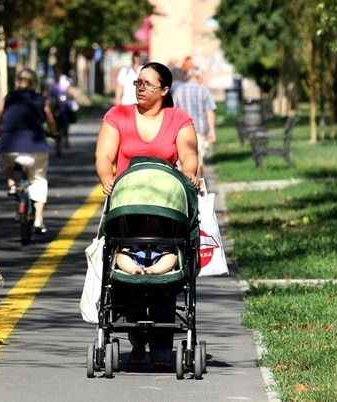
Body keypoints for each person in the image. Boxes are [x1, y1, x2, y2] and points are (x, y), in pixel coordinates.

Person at [94, 61, 200, 371]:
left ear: (165, 90)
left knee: (165, 280)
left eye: (148, 84)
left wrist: (190, 175)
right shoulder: (119, 115)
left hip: (166, 215)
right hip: (129, 213)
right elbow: (104, 155)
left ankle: (163, 349)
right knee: (128, 278)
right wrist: (106, 179)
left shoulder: (178, 119)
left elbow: (189, 156)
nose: (140, 88)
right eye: (138, 82)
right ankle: (137, 342)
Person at [0, 67, 58, 234]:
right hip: (36, 148)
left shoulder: (9, 98)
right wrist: (54, 132)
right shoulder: (40, 100)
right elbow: (49, 118)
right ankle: (38, 219)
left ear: (18, 81)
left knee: (5, 160)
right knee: (38, 179)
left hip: (9, 146)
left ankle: (11, 183)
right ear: (34, 82)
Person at [172, 68, 217, 177]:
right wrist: (212, 130)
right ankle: (199, 188)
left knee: (184, 161)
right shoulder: (203, 90)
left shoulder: (178, 90)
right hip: (199, 130)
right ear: (199, 78)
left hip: (181, 132)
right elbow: (210, 110)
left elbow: (173, 111)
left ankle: (186, 188)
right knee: (198, 160)